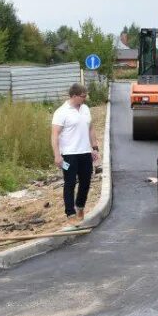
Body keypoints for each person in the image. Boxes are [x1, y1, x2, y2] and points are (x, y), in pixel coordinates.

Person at [51, 83, 98, 223]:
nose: (84, 99)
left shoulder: (85, 109)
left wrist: (95, 148)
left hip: (85, 153)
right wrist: (57, 155)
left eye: (85, 96)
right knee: (70, 183)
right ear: (74, 96)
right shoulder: (61, 112)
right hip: (69, 155)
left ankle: (80, 206)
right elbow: (54, 135)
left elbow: (91, 129)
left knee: (86, 182)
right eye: (82, 96)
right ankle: (70, 213)